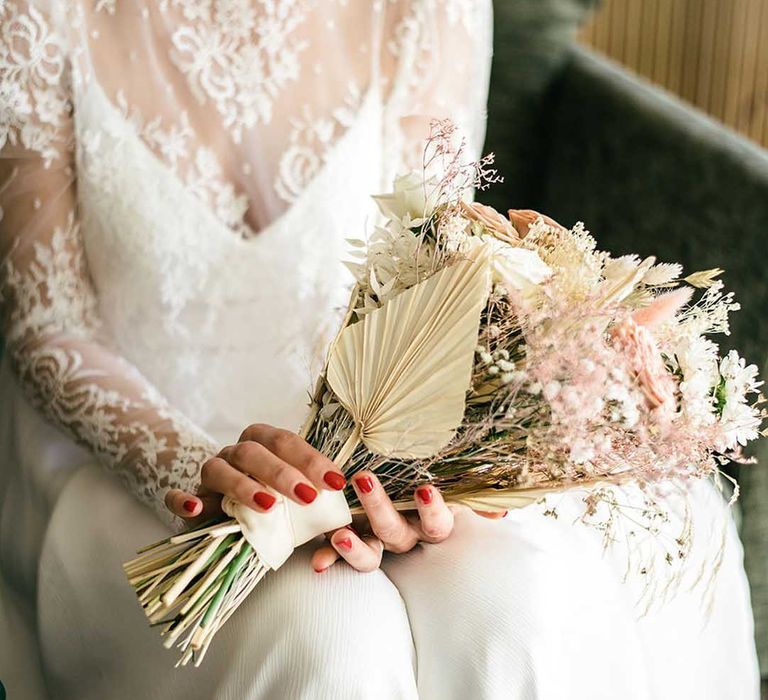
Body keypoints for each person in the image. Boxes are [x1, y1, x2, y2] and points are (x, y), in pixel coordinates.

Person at [0, 2, 759, 698]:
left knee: (507, 606)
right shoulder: (35, 15)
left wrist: (411, 479)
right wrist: (212, 480)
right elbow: (50, 326)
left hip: (373, 436)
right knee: (326, 636)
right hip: (134, 462)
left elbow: (441, 267)